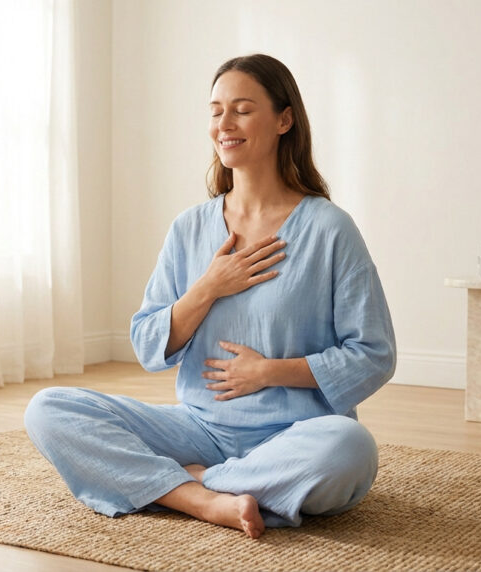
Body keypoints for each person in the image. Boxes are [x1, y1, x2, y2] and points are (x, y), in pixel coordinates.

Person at [25, 54, 395, 539]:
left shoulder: (329, 229)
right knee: (49, 409)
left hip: (297, 432)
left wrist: (269, 371)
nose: (224, 124)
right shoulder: (190, 228)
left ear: (285, 120)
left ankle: (189, 484)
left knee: (350, 448)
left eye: (242, 109)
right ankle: (203, 500)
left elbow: (373, 354)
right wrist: (208, 287)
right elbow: (146, 343)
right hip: (199, 428)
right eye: (216, 110)